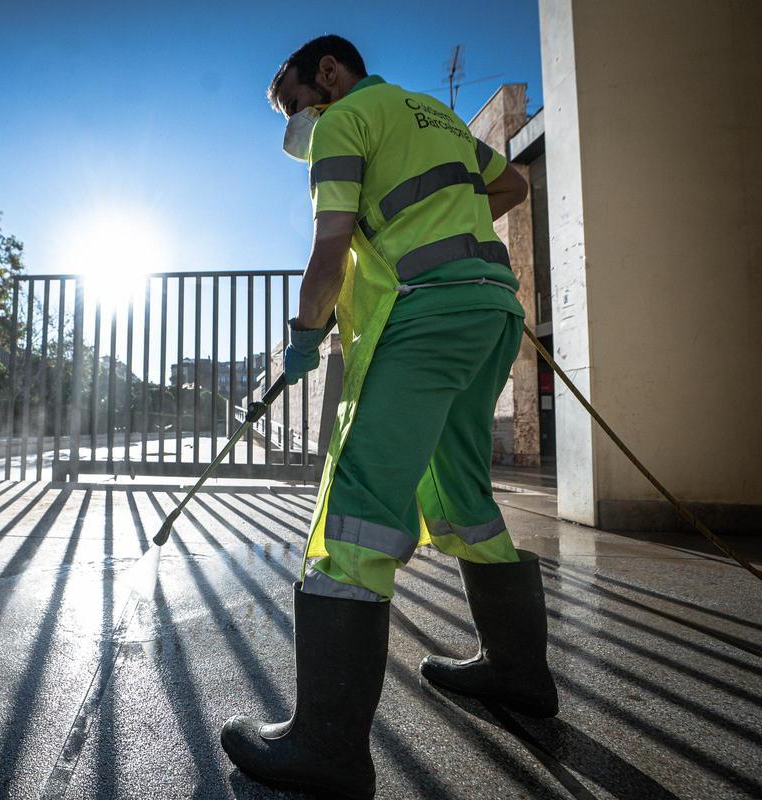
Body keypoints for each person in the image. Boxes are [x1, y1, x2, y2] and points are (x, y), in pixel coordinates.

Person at [220, 35, 558, 799]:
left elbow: (329, 247)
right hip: (490, 312)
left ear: (329, 73)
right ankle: (518, 672)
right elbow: (511, 186)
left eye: (295, 104)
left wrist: (305, 336)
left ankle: (326, 746)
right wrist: (444, 237)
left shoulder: (343, 122)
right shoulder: (432, 115)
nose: (296, 124)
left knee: (358, 512)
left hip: (424, 318)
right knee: (462, 492)